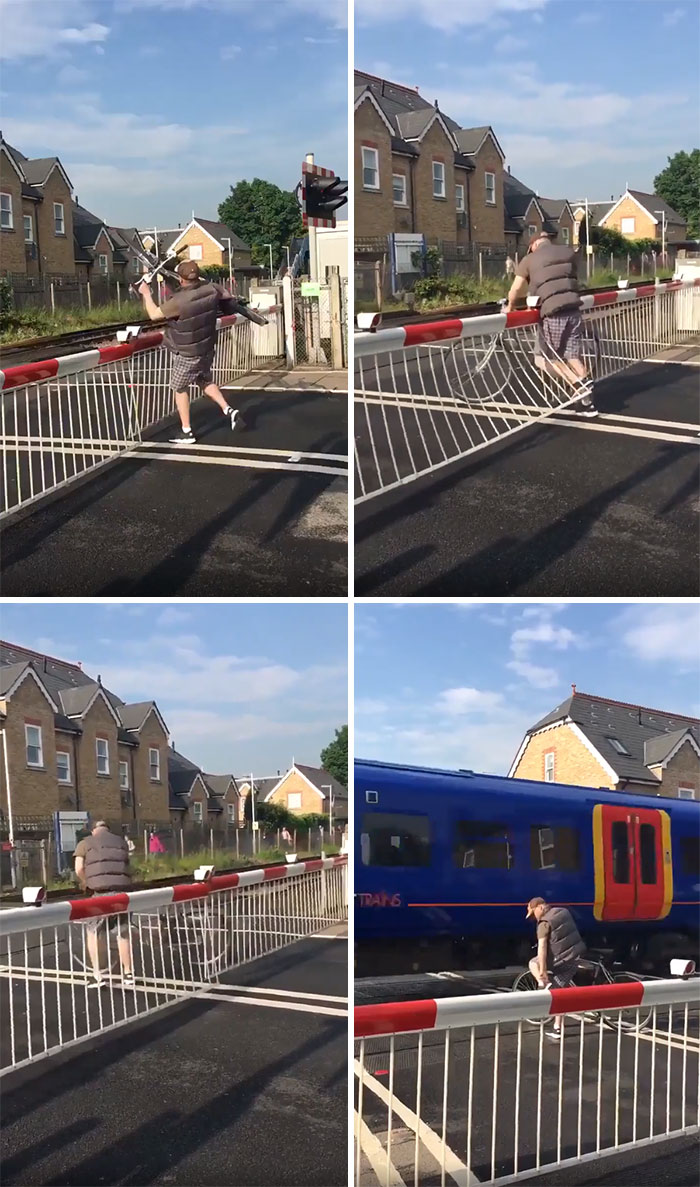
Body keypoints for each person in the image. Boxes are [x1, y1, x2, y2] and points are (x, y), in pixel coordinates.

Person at [138, 260, 241, 445]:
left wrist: (146, 294)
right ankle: (229, 410)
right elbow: (226, 296)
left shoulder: (179, 301)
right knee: (203, 379)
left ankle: (187, 431)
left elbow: (154, 314)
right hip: (206, 348)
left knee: (179, 388)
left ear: (181, 279)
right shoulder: (212, 289)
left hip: (186, 352)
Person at [506, 232, 597, 418]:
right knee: (572, 355)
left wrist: (510, 307)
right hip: (573, 310)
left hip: (553, 313)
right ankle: (588, 405)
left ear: (533, 245)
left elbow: (515, 289)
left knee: (550, 358)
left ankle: (580, 385)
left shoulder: (529, 259)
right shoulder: (567, 252)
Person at [74, 820, 133, 988]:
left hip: (99, 893)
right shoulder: (121, 842)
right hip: (122, 893)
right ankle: (128, 974)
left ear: (93, 830)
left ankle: (98, 976)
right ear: (107, 829)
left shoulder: (84, 843)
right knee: (123, 932)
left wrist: (86, 882)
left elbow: (78, 869)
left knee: (94, 932)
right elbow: (128, 866)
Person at [526, 896, 587, 1040]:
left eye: (533, 912)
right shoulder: (563, 911)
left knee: (532, 963)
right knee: (559, 993)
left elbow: (542, 948)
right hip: (574, 956)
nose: (534, 917)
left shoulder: (544, 924)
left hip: (561, 961)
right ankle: (557, 1028)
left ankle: (543, 983)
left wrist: (542, 973)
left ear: (540, 907)